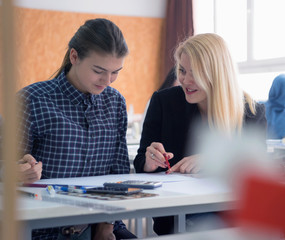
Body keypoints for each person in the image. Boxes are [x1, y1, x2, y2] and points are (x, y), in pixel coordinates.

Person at [133, 33, 266, 234]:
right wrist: (149, 161)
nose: (185, 80)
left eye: (195, 73)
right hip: (175, 215)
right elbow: (141, 160)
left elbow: (257, 175)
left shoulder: (250, 112)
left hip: (229, 218)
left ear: (217, 74)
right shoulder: (164, 102)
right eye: (182, 70)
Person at [16, 18, 136, 240]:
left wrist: (106, 226)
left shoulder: (116, 102)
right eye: (99, 70)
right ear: (74, 57)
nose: (107, 80)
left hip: (103, 223)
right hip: (46, 229)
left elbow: (118, 175)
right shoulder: (31, 100)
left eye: (115, 72)